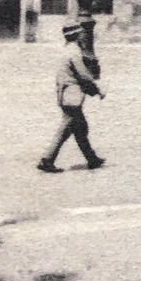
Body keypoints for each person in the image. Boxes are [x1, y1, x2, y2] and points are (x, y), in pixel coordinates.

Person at [37, 23, 106, 173]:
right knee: (65, 129)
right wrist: (98, 89)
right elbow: (84, 75)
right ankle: (47, 160)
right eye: (81, 33)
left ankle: (92, 158)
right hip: (72, 97)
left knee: (80, 128)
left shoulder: (66, 50)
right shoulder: (74, 52)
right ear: (77, 35)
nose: (83, 35)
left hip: (66, 94)